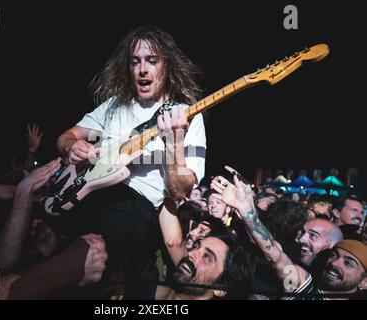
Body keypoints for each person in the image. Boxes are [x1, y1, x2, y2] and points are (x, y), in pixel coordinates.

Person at [56, 26, 206, 298]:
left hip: (133, 209)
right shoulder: (113, 105)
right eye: (135, 62)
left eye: (152, 61)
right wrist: (71, 147)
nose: (142, 70)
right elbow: (66, 136)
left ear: (167, 66)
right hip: (85, 196)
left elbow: (180, 190)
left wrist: (173, 144)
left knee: (77, 262)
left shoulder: (188, 114)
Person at [213, 166, 367, 300]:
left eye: (348, 263)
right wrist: (246, 209)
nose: (334, 263)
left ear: (364, 281)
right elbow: (274, 254)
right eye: (335, 256)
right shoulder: (302, 286)